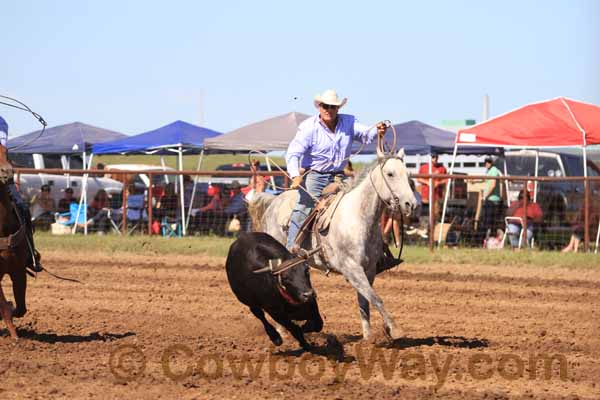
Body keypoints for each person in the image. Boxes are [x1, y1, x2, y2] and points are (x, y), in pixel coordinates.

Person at [285, 89, 387, 252]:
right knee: (304, 206)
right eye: (325, 106)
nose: (328, 110)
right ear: (319, 107)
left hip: (340, 176)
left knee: (361, 203)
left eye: (332, 107)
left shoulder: (349, 122)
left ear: (338, 108)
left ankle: (374, 249)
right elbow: (293, 153)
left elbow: (366, 133)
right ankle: (291, 248)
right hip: (315, 175)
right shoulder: (309, 127)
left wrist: (378, 130)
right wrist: (295, 176)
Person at [0, 115, 42, 272]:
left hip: (2, 176)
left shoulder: (1, 122)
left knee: (22, 206)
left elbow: (2, 149)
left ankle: (30, 254)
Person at [416, 153, 447, 220]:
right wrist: (427, 182)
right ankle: (424, 227)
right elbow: (418, 179)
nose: (435, 159)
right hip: (425, 196)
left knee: (435, 215)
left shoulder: (442, 168)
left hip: (437, 196)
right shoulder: (423, 167)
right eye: (433, 157)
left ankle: (434, 229)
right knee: (425, 214)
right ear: (430, 157)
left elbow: (446, 180)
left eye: (436, 157)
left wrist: (438, 183)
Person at [480, 157, 503, 242]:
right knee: (488, 222)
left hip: (492, 200)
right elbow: (485, 181)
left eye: (488, 162)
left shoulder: (494, 170)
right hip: (490, 199)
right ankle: (488, 240)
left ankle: (490, 240)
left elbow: (493, 184)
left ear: (491, 163)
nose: (487, 164)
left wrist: (486, 195)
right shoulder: (489, 171)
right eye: (485, 162)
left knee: (489, 223)